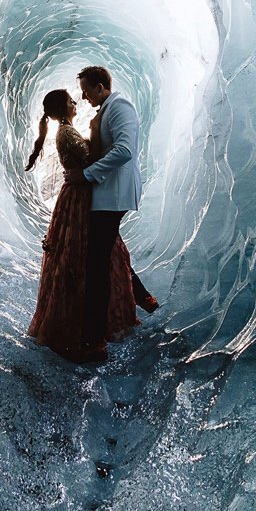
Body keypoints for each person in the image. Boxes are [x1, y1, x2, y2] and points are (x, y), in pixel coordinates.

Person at [24, 88, 141, 362]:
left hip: (79, 195)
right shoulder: (66, 132)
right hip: (79, 198)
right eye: (70, 101)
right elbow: (91, 159)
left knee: (103, 252)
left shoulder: (66, 131)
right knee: (88, 257)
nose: (75, 102)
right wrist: (99, 131)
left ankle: (123, 308)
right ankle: (86, 329)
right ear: (62, 109)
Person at [68, 65, 157, 357]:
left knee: (97, 265)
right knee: (109, 251)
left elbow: (124, 151)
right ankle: (142, 297)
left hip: (113, 196)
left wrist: (87, 174)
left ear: (99, 87)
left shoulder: (120, 107)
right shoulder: (106, 109)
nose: (83, 98)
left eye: (85, 91)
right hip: (107, 196)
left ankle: (95, 338)